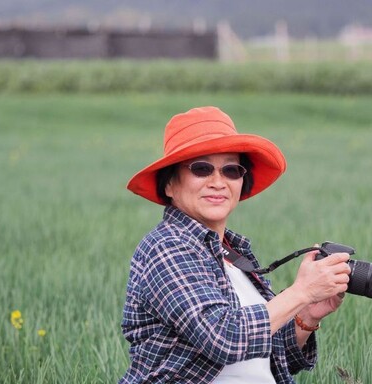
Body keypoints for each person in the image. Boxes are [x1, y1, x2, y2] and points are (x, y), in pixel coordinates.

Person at [120, 106, 351, 384]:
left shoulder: (232, 255)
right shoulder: (166, 248)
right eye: (201, 168)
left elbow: (272, 360)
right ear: (169, 184)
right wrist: (302, 292)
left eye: (231, 170)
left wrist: (307, 316)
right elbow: (223, 338)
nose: (218, 182)